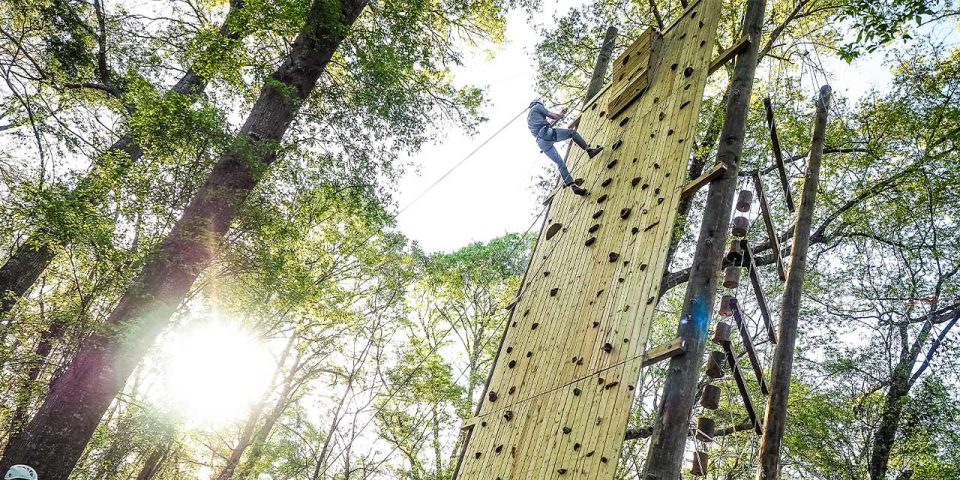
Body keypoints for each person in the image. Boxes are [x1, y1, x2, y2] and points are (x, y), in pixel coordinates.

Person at [527, 98, 603, 196]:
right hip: (546, 133)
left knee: (560, 163)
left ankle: (573, 187)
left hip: (541, 142)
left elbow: (546, 124)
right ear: (538, 103)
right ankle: (589, 151)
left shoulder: (530, 118)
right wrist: (560, 115)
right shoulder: (537, 107)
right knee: (572, 133)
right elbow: (552, 116)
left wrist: (560, 115)